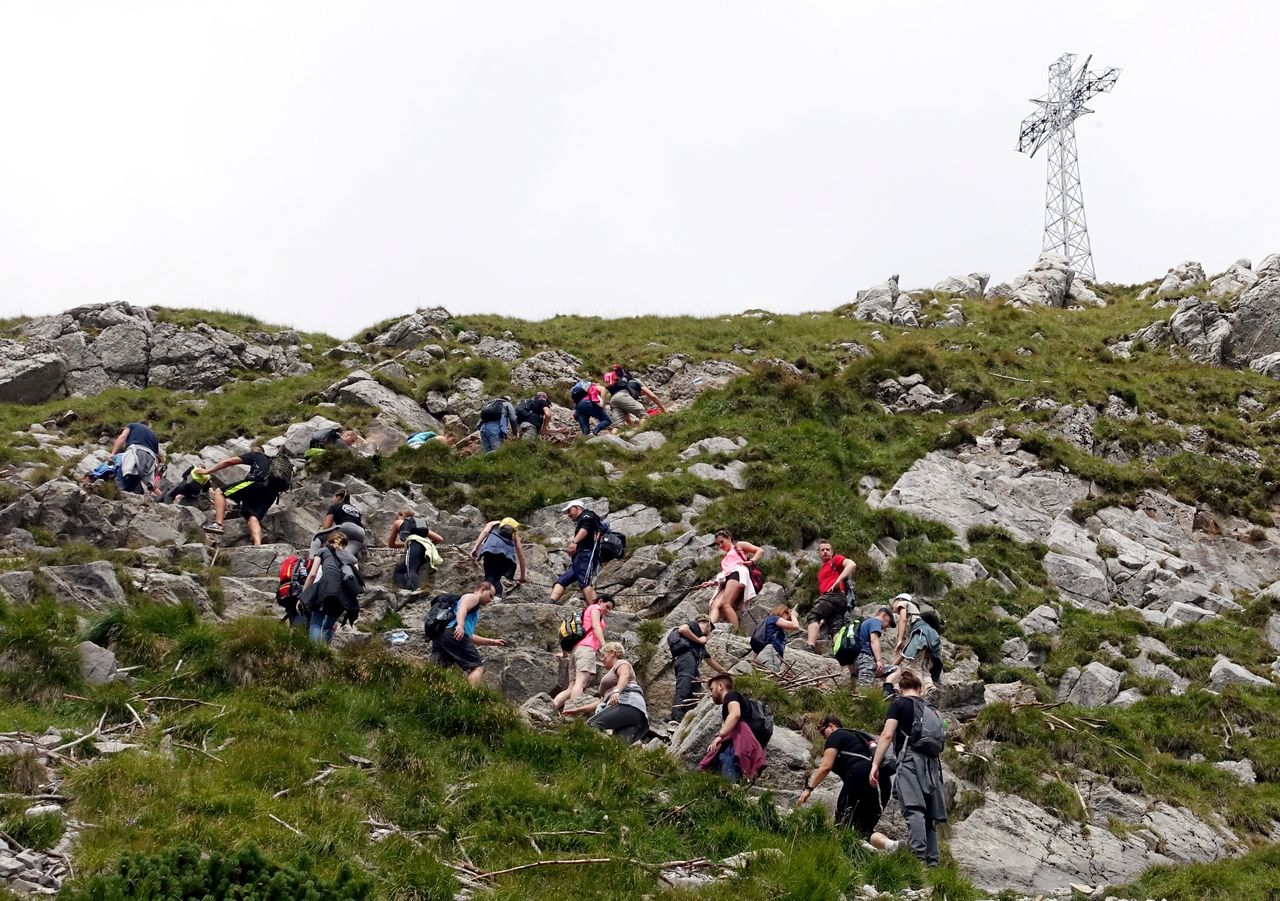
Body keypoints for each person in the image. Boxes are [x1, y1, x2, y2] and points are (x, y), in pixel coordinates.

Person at [870, 670, 948, 867]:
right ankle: (932, 863)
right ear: (920, 689)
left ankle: (917, 860)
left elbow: (887, 735)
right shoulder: (931, 708)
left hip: (910, 759)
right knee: (929, 817)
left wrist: (875, 764)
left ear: (900, 688)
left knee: (914, 810)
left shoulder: (898, 704)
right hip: (932, 763)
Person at [796, 715, 899, 853]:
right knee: (863, 829)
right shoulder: (857, 740)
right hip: (881, 783)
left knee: (841, 821)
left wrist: (809, 789)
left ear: (832, 726)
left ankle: (840, 857)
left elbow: (826, 766)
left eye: (823, 732)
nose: (824, 738)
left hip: (860, 775)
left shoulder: (836, 735)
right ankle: (892, 845)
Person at [562, 641, 649, 744]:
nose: (601, 659)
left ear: (613, 653)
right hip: (636, 712)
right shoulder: (613, 677)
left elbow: (624, 675)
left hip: (626, 703)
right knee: (617, 746)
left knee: (592, 725)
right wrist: (578, 710)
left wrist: (617, 692)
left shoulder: (621, 663)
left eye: (603, 655)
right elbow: (601, 702)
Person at [198, 446, 282, 546]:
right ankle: (258, 545)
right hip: (272, 492)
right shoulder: (272, 463)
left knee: (219, 492)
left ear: (254, 451)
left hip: (256, 483)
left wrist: (208, 471)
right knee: (253, 517)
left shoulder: (255, 455)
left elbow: (229, 462)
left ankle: (218, 524)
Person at [431, 581, 504, 687]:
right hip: (453, 634)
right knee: (477, 667)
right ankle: (472, 697)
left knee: (436, 670)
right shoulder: (473, 597)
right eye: (490, 596)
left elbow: (469, 636)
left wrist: (492, 641)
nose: (491, 600)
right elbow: (463, 609)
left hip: (442, 635)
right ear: (482, 589)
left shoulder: (468, 607)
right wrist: (460, 625)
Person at [700, 674, 767, 784]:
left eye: (712, 689)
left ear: (720, 686)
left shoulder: (731, 695)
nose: (711, 694)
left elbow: (735, 714)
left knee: (728, 760)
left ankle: (729, 789)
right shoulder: (731, 699)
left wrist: (719, 736)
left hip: (738, 740)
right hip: (740, 740)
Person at [299, 532, 363, 644]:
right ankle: (325, 652)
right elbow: (355, 580)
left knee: (316, 622)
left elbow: (313, 574)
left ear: (330, 541)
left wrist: (304, 596)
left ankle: (316, 653)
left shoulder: (323, 551)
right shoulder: (352, 558)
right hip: (343, 594)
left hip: (326, 588)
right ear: (345, 544)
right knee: (328, 626)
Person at [553, 595, 614, 712]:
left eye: (610, 609)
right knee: (580, 684)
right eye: (607, 606)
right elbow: (596, 626)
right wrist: (604, 646)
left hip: (576, 650)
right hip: (587, 650)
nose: (608, 610)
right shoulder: (595, 608)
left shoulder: (585, 611)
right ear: (600, 601)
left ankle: (551, 708)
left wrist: (565, 654)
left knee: (571, 688)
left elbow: (567, 633)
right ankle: (571, 715)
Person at [666, 613, 730, 724]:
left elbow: (710, 660)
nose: (709, 634)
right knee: (684, 686)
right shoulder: (695, 626)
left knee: (695, 690)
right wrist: (700, 640)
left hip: (688, 661)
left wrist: (725, 672)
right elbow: (682, 629)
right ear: (708, 623)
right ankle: (676, 718)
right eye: (710, 630)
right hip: (687, 660)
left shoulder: (697, 644)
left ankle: (679, 717)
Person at [700, 529, 764, 631]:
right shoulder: (724, 558)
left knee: (726, 604)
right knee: (714, 605)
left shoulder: (739, 546)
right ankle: (707, 630)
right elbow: (725, 573)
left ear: (729, 538)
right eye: (718, 544)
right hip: (727, 578)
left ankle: (736, 632)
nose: (720, 546)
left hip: (738, 573)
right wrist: (712, 582)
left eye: (722, 542)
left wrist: (752, 561)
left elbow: (760, 550)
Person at [549, 501, 604, 605]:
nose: (568, 514)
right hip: (578, 557)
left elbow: (585, 529)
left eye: (569, 511)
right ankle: (550, 602)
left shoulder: (587, 515)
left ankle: (594, 610)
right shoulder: (582, 519)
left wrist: (574, 542)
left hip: (587, 555)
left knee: (584, 581)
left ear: (577, 507)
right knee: (561, 581)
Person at [889, 593, 944, 696]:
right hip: (931, 637)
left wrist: (900, 639)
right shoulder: (916, 620)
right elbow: (906, 652)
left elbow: (903, 620)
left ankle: (920, 692)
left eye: (894, 602)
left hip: (922, 636)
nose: (893, 606)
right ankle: (930, 688)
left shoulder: (903, 603)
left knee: (914, 667)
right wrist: (892, 666)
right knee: (923, 667)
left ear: (899, 599)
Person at [806, 541, 856, 650]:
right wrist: (823, 614)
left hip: (835, 594)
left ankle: (810, 646)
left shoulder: (835, 560)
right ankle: (840, 652)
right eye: (822, 550)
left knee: (813, 615)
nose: (825, 552)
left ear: (832, 552)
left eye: (827, 549)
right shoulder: (820, 572)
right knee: (835, 627)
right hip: (835, 601)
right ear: (818, 553)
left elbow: (851, 564)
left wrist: (839, 579)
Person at [388, 509, 444, 591]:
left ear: (400, 515)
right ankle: (402, 590)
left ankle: (418, 590)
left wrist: (407, 544)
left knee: (412, 570)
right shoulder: (418, 524)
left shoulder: (398, 522)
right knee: (399, 570)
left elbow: (391, 544)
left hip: (414, 545)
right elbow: (439, 539)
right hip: (426, 548)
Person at [469, 517, 527, 598]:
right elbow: (521, 556)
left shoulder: (493, 523)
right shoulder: (514, 532)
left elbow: (485, 532)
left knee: (489, 576)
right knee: (496, 579)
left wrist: (475, 548)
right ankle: (498, 596)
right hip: (506, 556)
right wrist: (522, 577)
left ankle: (487, 597)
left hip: (490, 551)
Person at [310, 488, 368, 558]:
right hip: (360, 534)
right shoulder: (356, 509)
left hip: (346, 528)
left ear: (338, 498)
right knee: (344, 557)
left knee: (317, 536)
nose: (333, 500)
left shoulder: (335, 506)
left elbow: (326, 527)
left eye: (333, 497)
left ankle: (311, 560)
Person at [603, 365, 667, 425]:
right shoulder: (636, 383)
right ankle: (642, 432)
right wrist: (663, 409)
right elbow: (652, 396)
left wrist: (632, 427)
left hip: (613, 400)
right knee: (643, 415)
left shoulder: (622, 384)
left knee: (618, 425)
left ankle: (612, 436)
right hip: (622, 396)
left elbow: (626, 415)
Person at [854, 607, 896, 697]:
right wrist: (879, 660)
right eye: (889, 623)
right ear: (884, 615)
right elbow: (874, 639)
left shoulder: (866, 623)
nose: (886, 628)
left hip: (861, 660)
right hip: (865, 659)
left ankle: (887, 691)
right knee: (866, 694)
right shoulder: (875, 621)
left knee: (895, 669)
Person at [111, 420, 162, 495]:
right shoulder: (154, 436)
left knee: (122, 479)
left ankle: (115, 496)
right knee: (135, 481)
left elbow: (123, 436)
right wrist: (154, 480)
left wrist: (112, 453)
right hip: (150, 460)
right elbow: (157, 460)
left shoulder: (132, 425)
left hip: (135, 452)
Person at [751, 603, 802, 672]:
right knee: (772, 678)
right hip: (770, 654)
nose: (788, 620)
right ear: (782, 612)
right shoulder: (775, 619)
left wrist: (753, 661)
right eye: (787, 616)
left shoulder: (770, 624)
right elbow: (795, 626)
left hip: (764, 654)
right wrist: (793, 615)